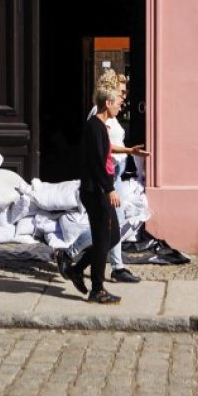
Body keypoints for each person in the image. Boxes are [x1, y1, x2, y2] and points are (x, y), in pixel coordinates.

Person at [57, 83, 124, 304]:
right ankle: (97, 289)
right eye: (117, 103)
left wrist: (130, 151)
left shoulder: (100, 127)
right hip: (95, 191)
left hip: (99, 190)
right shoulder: (94, 127)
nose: (120, 107)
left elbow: (103, 154)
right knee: (104, 238)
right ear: (107, 103)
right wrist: (110, 189)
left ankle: (77, 269)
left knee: (112, 236)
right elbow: (97, 163)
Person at [81, 69, 148, 282]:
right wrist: (108, 188)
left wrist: (130, 151)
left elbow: (108, 146)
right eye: (120, 92)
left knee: (111, 228)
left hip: (112, 174)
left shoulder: (111, 118)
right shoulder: (97, 120)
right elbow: (99, 155)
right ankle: (76, 258)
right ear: (108, 98)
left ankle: (115, 268)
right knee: (106, 229)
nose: (123, 98)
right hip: (105, 179)